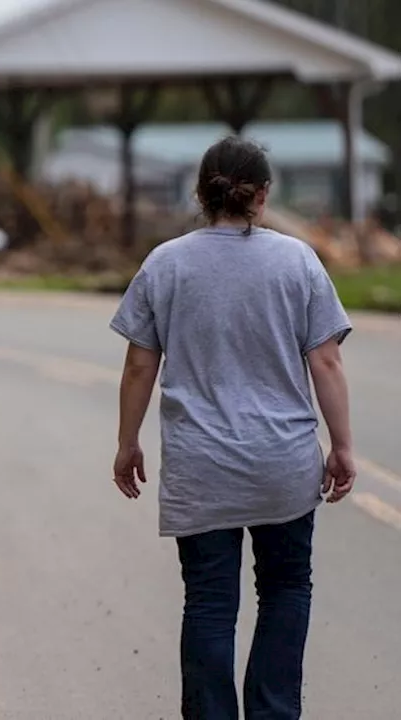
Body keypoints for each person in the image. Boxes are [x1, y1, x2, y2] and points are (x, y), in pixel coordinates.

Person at [108, 135, 356, 720]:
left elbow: (140, 363)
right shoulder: (297, 261)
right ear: (264, 194)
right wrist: (342, 446)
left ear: (201, 192)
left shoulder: (165, 263)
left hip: (201, 465)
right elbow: (326, 361)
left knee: (211, 603)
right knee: (287, 589)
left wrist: (127, 442)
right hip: (283, 462)